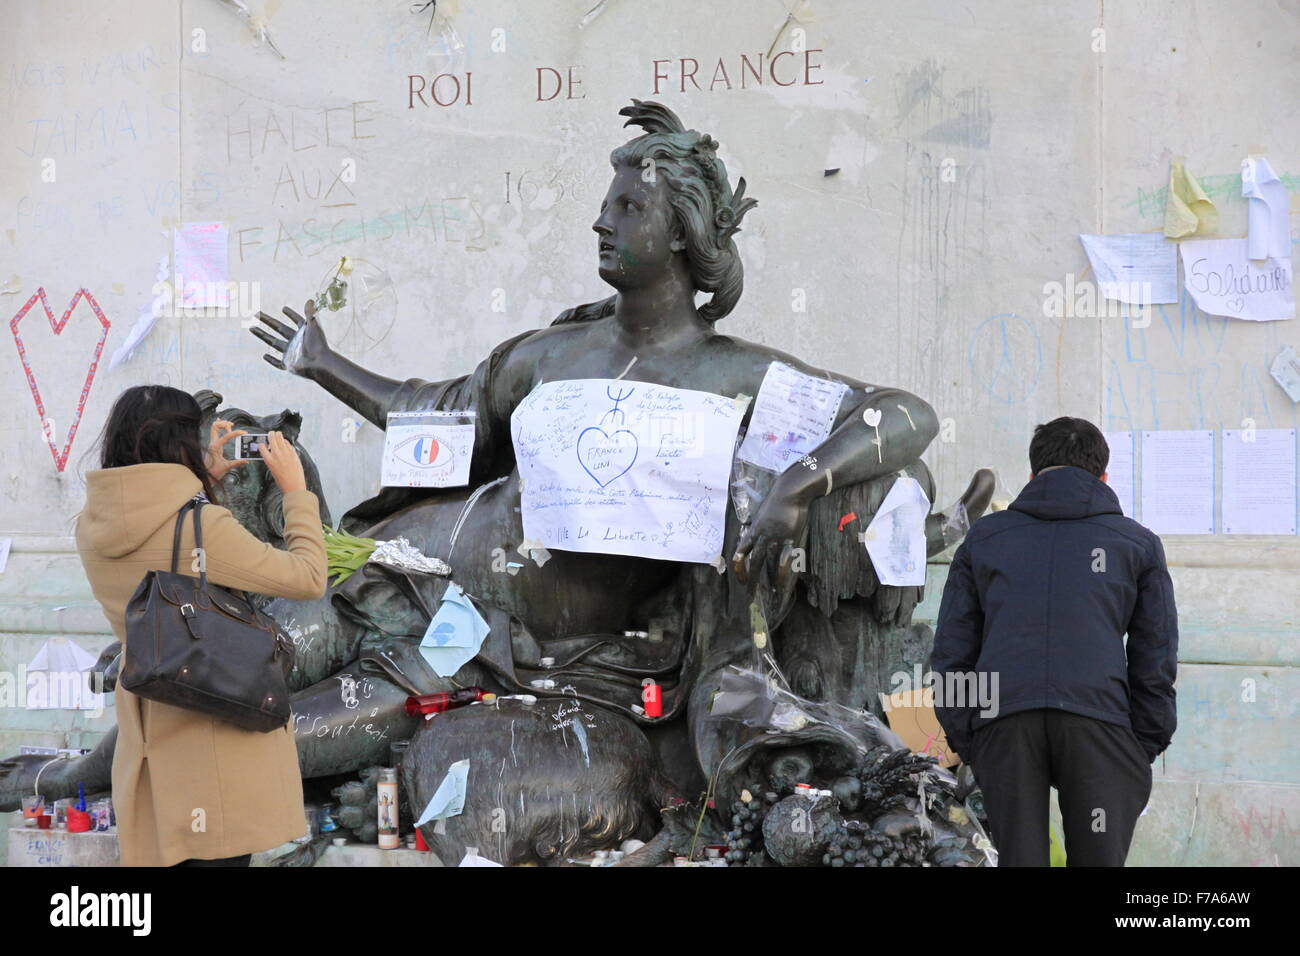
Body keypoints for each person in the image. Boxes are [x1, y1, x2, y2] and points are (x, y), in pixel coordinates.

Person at [74, 384, 327, 866]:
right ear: (183, 444)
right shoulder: (203, 525)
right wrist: (297, 492)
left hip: (149, 744)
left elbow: (161, 537)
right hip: (214, 742)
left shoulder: (89, 526)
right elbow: (309, 576)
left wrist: (203, 477)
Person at [930, 417, 1178, 866]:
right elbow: (1154, 655)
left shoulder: (985, 538)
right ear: (1104, 476)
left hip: (1003, 721)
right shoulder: (1136, 543)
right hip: (1099, 719)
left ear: (1031, 475)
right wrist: (1145, 741)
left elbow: (952, 652)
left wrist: (967, 734)